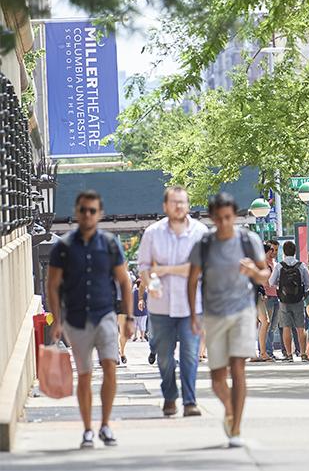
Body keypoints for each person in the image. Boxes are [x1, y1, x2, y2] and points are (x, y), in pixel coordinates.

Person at [46, 190, 135, 448]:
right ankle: (87, 429)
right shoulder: (63, 247)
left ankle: (105, 425)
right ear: (76, 212)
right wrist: (57, 319)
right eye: (83, 210)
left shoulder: (109, 244)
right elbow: (52, 285)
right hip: (76, 319)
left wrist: (129, 317)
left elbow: (124, 282)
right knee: (84, 375)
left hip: (105, 315)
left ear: (100, 214)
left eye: (92, 210)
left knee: (109, 368)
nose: (87, 214)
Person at [188, 192, 269, 447]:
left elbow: (264, 274)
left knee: (238, 368)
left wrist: (254, 271)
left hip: (242, 310)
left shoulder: (248, 239)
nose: (224, 223)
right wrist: (193, 314)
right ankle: (229, 410)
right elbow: (192, 280)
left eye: (228, 217)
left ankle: (235, 430)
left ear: (234, 216)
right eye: (219, 218)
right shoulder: (204, 244)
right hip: (214, 313)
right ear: (212, 217)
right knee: (217, 377)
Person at [137, 185, 208, 417]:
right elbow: (145, 267)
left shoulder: (200, 232)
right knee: (165, 357)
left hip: (191, 306)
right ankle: (169, 396)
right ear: (165, 206)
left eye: (183, 202)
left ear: (188, 205)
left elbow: (200, 269)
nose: (179, 206)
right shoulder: (152, 233)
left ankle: (190, 401)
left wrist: (165, 268)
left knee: (189, 355)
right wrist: (154, 285)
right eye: (174, 202)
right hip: (161, 306)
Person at [269, 240, 309, 362]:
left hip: (284, 300)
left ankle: (288, 354)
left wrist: (281, 286)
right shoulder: (301, 265)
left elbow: (271, 282)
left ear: (284, 252)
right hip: (298, 300)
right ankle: (303, 353)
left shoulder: (279, 266)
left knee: (286, 327)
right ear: (295, 251)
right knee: (300, 328)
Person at [262, 240, 282, 360]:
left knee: (273, 326)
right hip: (267, 296)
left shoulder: (275, 263)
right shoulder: (263, 263)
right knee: (267, 325)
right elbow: (264, 281)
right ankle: (265, 351)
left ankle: (270, 351)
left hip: (276, 296)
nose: (273, 252)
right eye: (272, 249)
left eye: (276, 250)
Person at [132, 278, 149, 342]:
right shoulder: (145, 293)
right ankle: (142, 337)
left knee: (135, 325)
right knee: (143, 324)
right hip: (143, 311)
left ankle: (135, 336)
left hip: (134, 311)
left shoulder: (133, 292)